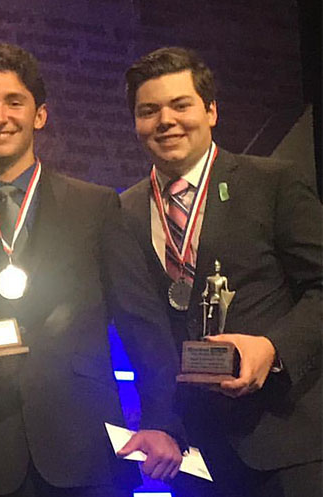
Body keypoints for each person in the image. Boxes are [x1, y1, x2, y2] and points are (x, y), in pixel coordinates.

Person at [0, 42, 186, 497]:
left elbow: (143, 323)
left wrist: (162, 422)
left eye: (14, 102)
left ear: (40, 114)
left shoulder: (95, 207)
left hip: (85, 453)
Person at [120, 46, 322, 497]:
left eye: (181, 105)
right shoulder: (124, 210)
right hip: (193, 454)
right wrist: (161, 421)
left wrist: (274, 347)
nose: (165, 120)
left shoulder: (272, 183)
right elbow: (142, 327)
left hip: (290, 443)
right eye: (148, 110)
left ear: (211, 110)